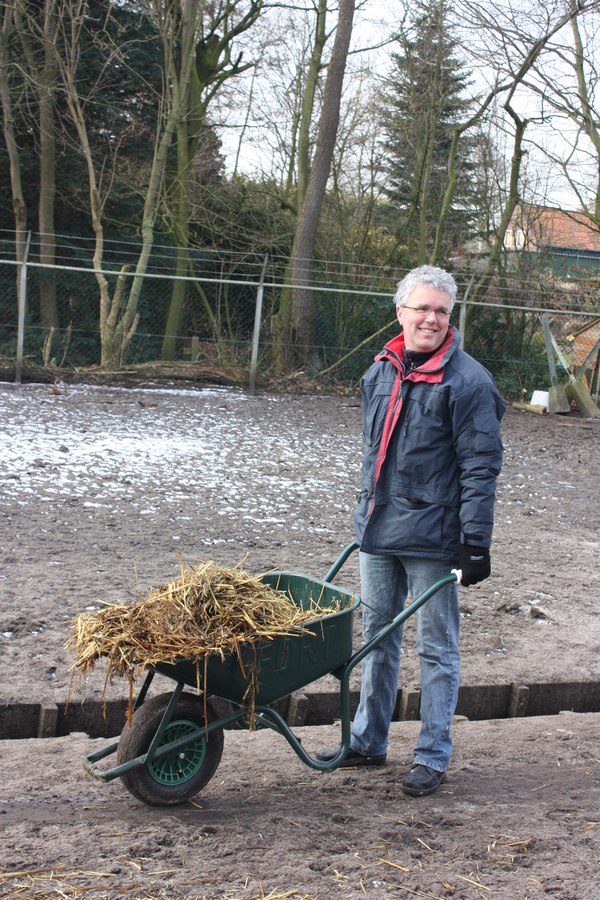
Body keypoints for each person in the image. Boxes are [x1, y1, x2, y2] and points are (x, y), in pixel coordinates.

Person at [317, 265, 504, 796]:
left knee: (437, 649)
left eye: (442, 310)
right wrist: (365, 512)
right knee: (377, 641)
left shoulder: (468, 383)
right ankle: (367, 741)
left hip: (434, 537)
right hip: (379, 532)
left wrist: (476, 541)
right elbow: (373, 454)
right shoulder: (380, 371)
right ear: (400, 311)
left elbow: (480, 466)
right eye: (422, 308)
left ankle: (431, 755)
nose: (431, 318)